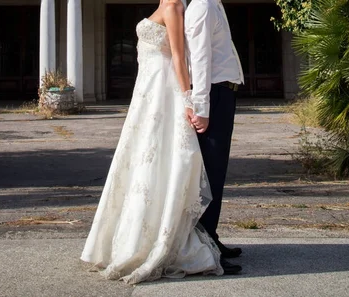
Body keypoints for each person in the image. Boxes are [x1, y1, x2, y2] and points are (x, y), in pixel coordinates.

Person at [80, 0, 240, 285]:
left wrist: (190, 100)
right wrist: (195, 103)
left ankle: (206, 241)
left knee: (184, 167)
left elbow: (182, 57)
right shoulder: (172, 5)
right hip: (151, 93)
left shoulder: (179, 6)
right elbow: (190, 56)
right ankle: (202, 241)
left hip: (163, 92)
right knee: (150, 164)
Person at [185, 0, 245, 261]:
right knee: (211, 171)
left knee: (216, 172)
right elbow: (199, 59)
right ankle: (204, 246)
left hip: (223, 94)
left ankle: (210, 238)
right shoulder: (203, 7)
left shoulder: (213, 5)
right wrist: (202, 108)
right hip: (215, 95)